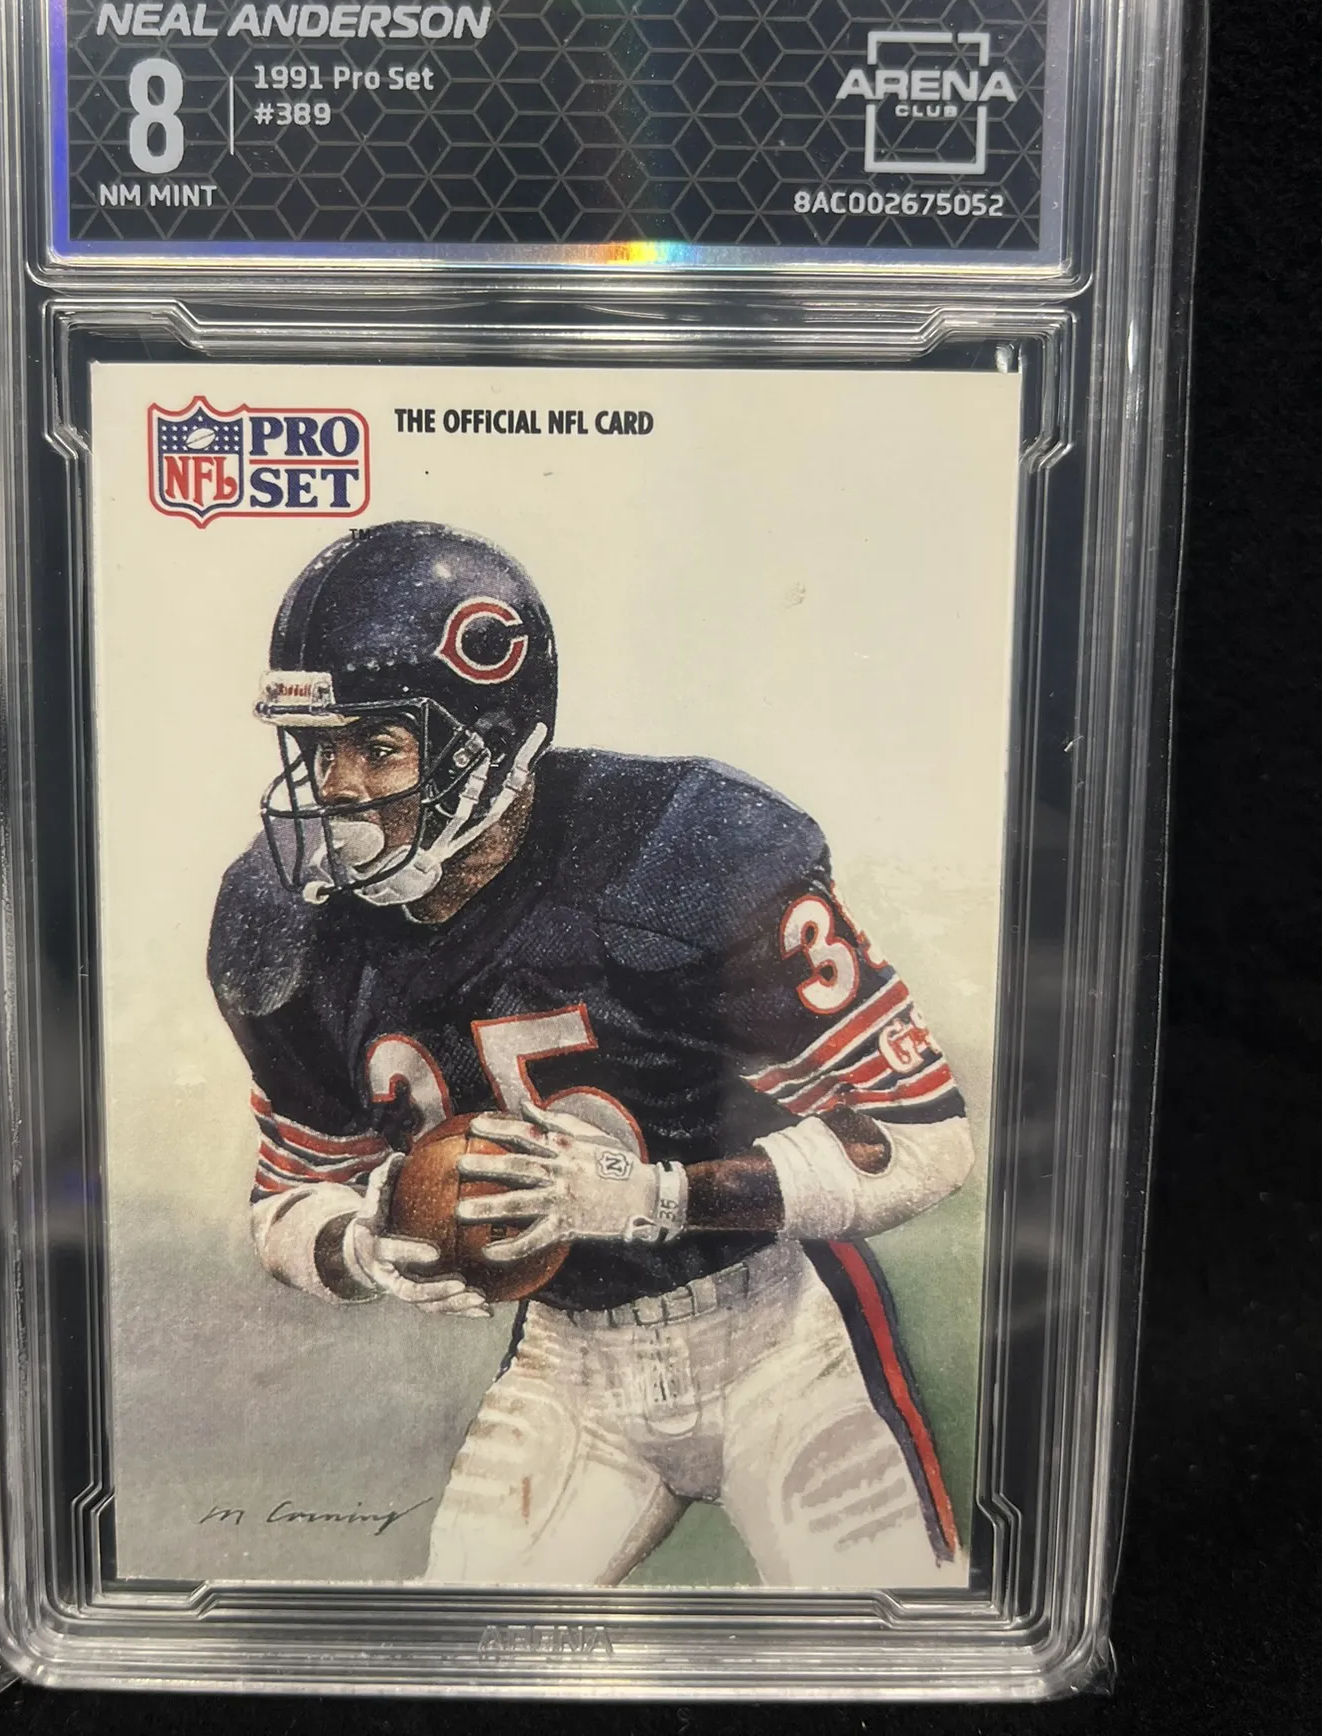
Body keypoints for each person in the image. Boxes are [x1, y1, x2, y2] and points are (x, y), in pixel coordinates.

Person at [208, 519, 974, 1587]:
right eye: (317, 748)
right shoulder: (288, 924)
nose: (335, 787)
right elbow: (292, 1195)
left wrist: (659, 1196)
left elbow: (923, 1137)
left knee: (888, 1632)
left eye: (376, 746)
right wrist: (368, 1245)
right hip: (567, 1361)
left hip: (782, 1330)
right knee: (460, 1639)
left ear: (488, 737)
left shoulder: (685, 850)